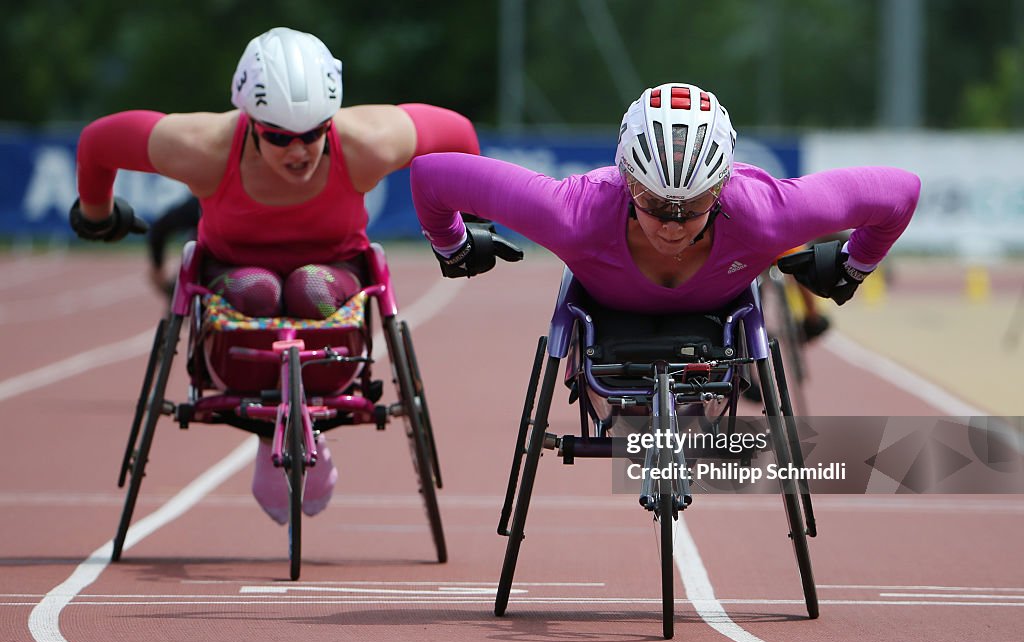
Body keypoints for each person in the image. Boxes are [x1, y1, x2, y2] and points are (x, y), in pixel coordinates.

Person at [69, 27, 480, 525]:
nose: (299, 150)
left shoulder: (366, 141)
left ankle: (309, 422)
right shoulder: (205, 147)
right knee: (258, 289)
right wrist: (97, 215)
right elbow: (97, 142)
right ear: (251, 122)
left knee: (310, 287)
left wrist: (464, 229)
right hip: (235, 287)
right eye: (279, 136)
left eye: (313, 133)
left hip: (333, 286)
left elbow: (458, 133)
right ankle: (269, 435)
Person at [410, 82, 919, 326]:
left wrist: (855, 267)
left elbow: (901, 192)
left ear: (721, 187)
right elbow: (430, 176)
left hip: (720, 320)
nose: (672, 225)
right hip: (607, 318)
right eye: (654, 203)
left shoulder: (763, 212)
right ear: (625, 179)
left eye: (692, 205)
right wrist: (451, 245)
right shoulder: (575, 213)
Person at [147, 194, 201, 298]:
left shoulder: (202, 201)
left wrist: (157, 268)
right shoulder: (200, 204)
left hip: (205, 279)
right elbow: (159, 229)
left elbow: (159, 229)